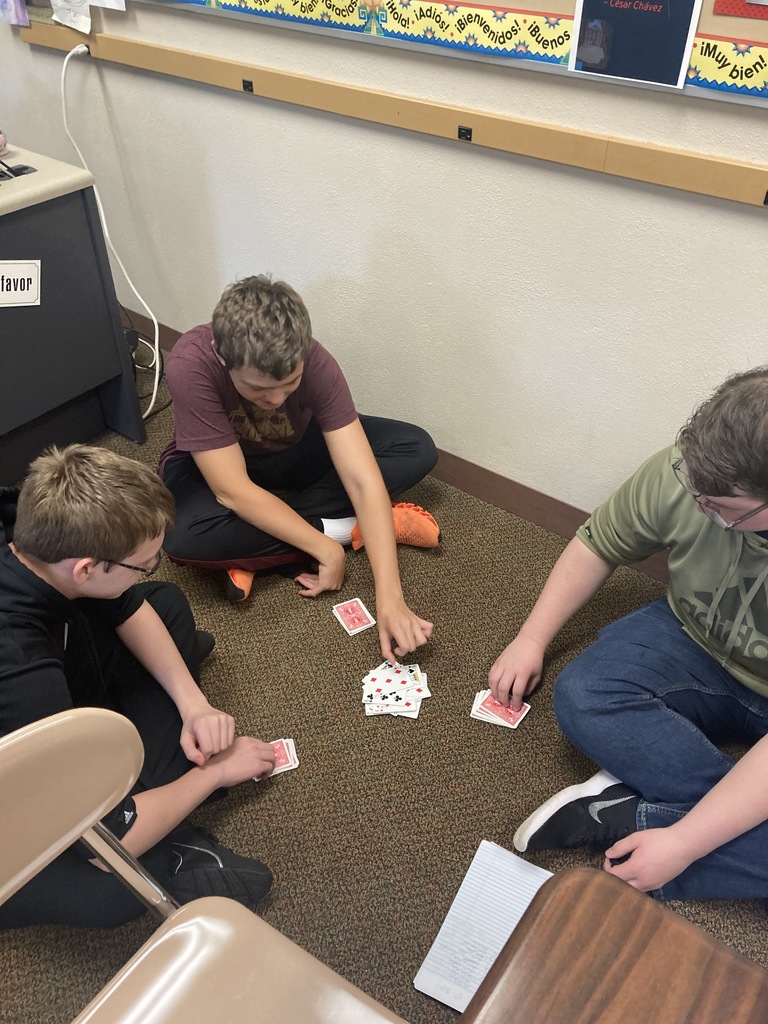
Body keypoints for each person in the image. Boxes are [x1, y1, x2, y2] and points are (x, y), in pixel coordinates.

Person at [488, 366, 768, 901]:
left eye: (721, 509)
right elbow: (599, 544)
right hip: (694, 642)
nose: (698, 506)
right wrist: (531, 638)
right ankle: (716, 826)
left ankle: (633, 816)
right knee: (585, 692)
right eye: (694, 489)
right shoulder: (693, 472)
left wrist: (684, 843)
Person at [0, 445, 276, 930]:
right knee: (111, 889)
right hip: (18, 787)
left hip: (57, 665)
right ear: (85, 568)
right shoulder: (24, 679)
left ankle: (161, 805)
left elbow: (126, 603)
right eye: (144, 563)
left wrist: (195, 704)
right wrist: (213, 775)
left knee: (164, 605)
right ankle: (171, 847)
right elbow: (100, 842)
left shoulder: (23, 522)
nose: (151, 569)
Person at [158, 274, 439, 664]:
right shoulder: (191, 363)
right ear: (223, 358)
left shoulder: (317, 361)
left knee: (415, 447)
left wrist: (390, 598)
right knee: (181, 539)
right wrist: (325, 548)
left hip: (293, 452)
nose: (274, 400)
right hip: (213, 465)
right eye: (257, 389)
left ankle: (251, 551)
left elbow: (361, 477)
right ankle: (350, 530)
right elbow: (232, 490)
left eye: (290, 384)